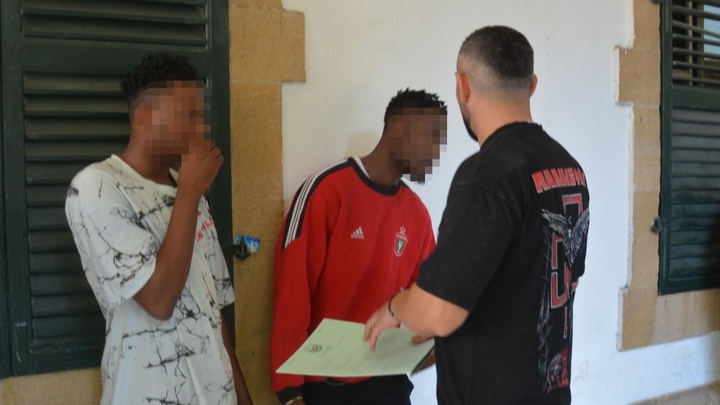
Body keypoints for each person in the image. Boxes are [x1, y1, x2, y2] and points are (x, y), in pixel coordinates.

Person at [364, 26, 590, 405]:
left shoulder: (487, 173)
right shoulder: (568, 168)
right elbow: (554, 281)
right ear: (532, 85)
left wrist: (396, 307)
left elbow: (439, 312)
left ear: (462, 86)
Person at [65, 52, 253, 405]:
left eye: (200, 117)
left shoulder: (190, 192)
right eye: (188, 116)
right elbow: (159, 300)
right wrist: (190, 192)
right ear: (145, 117)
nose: (200, 130)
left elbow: (214, 316)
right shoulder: (97, 187)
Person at [270, 89, 448, 405]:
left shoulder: (416, 214)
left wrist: (434, 346)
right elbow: (291, 296)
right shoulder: (326, 192)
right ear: (398, 127)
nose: (436, 153)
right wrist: (290, 392)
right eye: (431, 137)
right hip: (325, 384)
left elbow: (430, 296)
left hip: (385, 383)